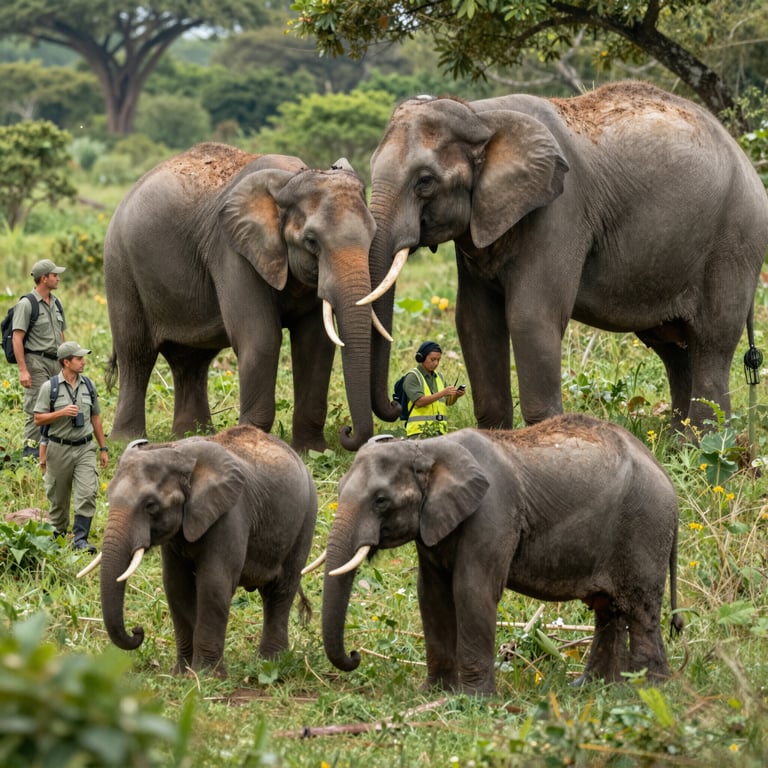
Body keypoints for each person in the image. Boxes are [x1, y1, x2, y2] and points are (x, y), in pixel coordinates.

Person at [34, 341, 109, 553]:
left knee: (87, 492)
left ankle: (80, 540)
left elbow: (96, 418)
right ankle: (58, 536)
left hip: (85, 448)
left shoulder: (89, 385)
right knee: (58, 498)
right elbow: (38, 419)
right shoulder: (50, 388)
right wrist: (61, 412)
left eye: (83, 358)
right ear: (66, 362)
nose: (83, 361)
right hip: (58, 449)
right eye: (79, 359)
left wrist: (103, 448)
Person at [12, 259, 67, 458]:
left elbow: (61, 335)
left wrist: (65, 361)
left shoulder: (56, 303)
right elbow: (17, 338)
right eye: (55, 275)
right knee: (37, 406)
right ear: (44, 278)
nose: (58, 278)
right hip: (35, 361)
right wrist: (23, 370)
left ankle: (50, 450)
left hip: (56, 362)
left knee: (58, 403)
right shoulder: (27, 304)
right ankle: (30, 454)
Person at [403, 340, 465, 437]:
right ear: (421, 358)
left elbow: (447, 402)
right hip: (419, 433)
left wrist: (456, 395)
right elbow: (419, 401)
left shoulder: (439, 376)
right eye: (432, 359)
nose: (436, 363)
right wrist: (443, 393)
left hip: (439, 432)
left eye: (438, 360)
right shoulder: (413, 377)